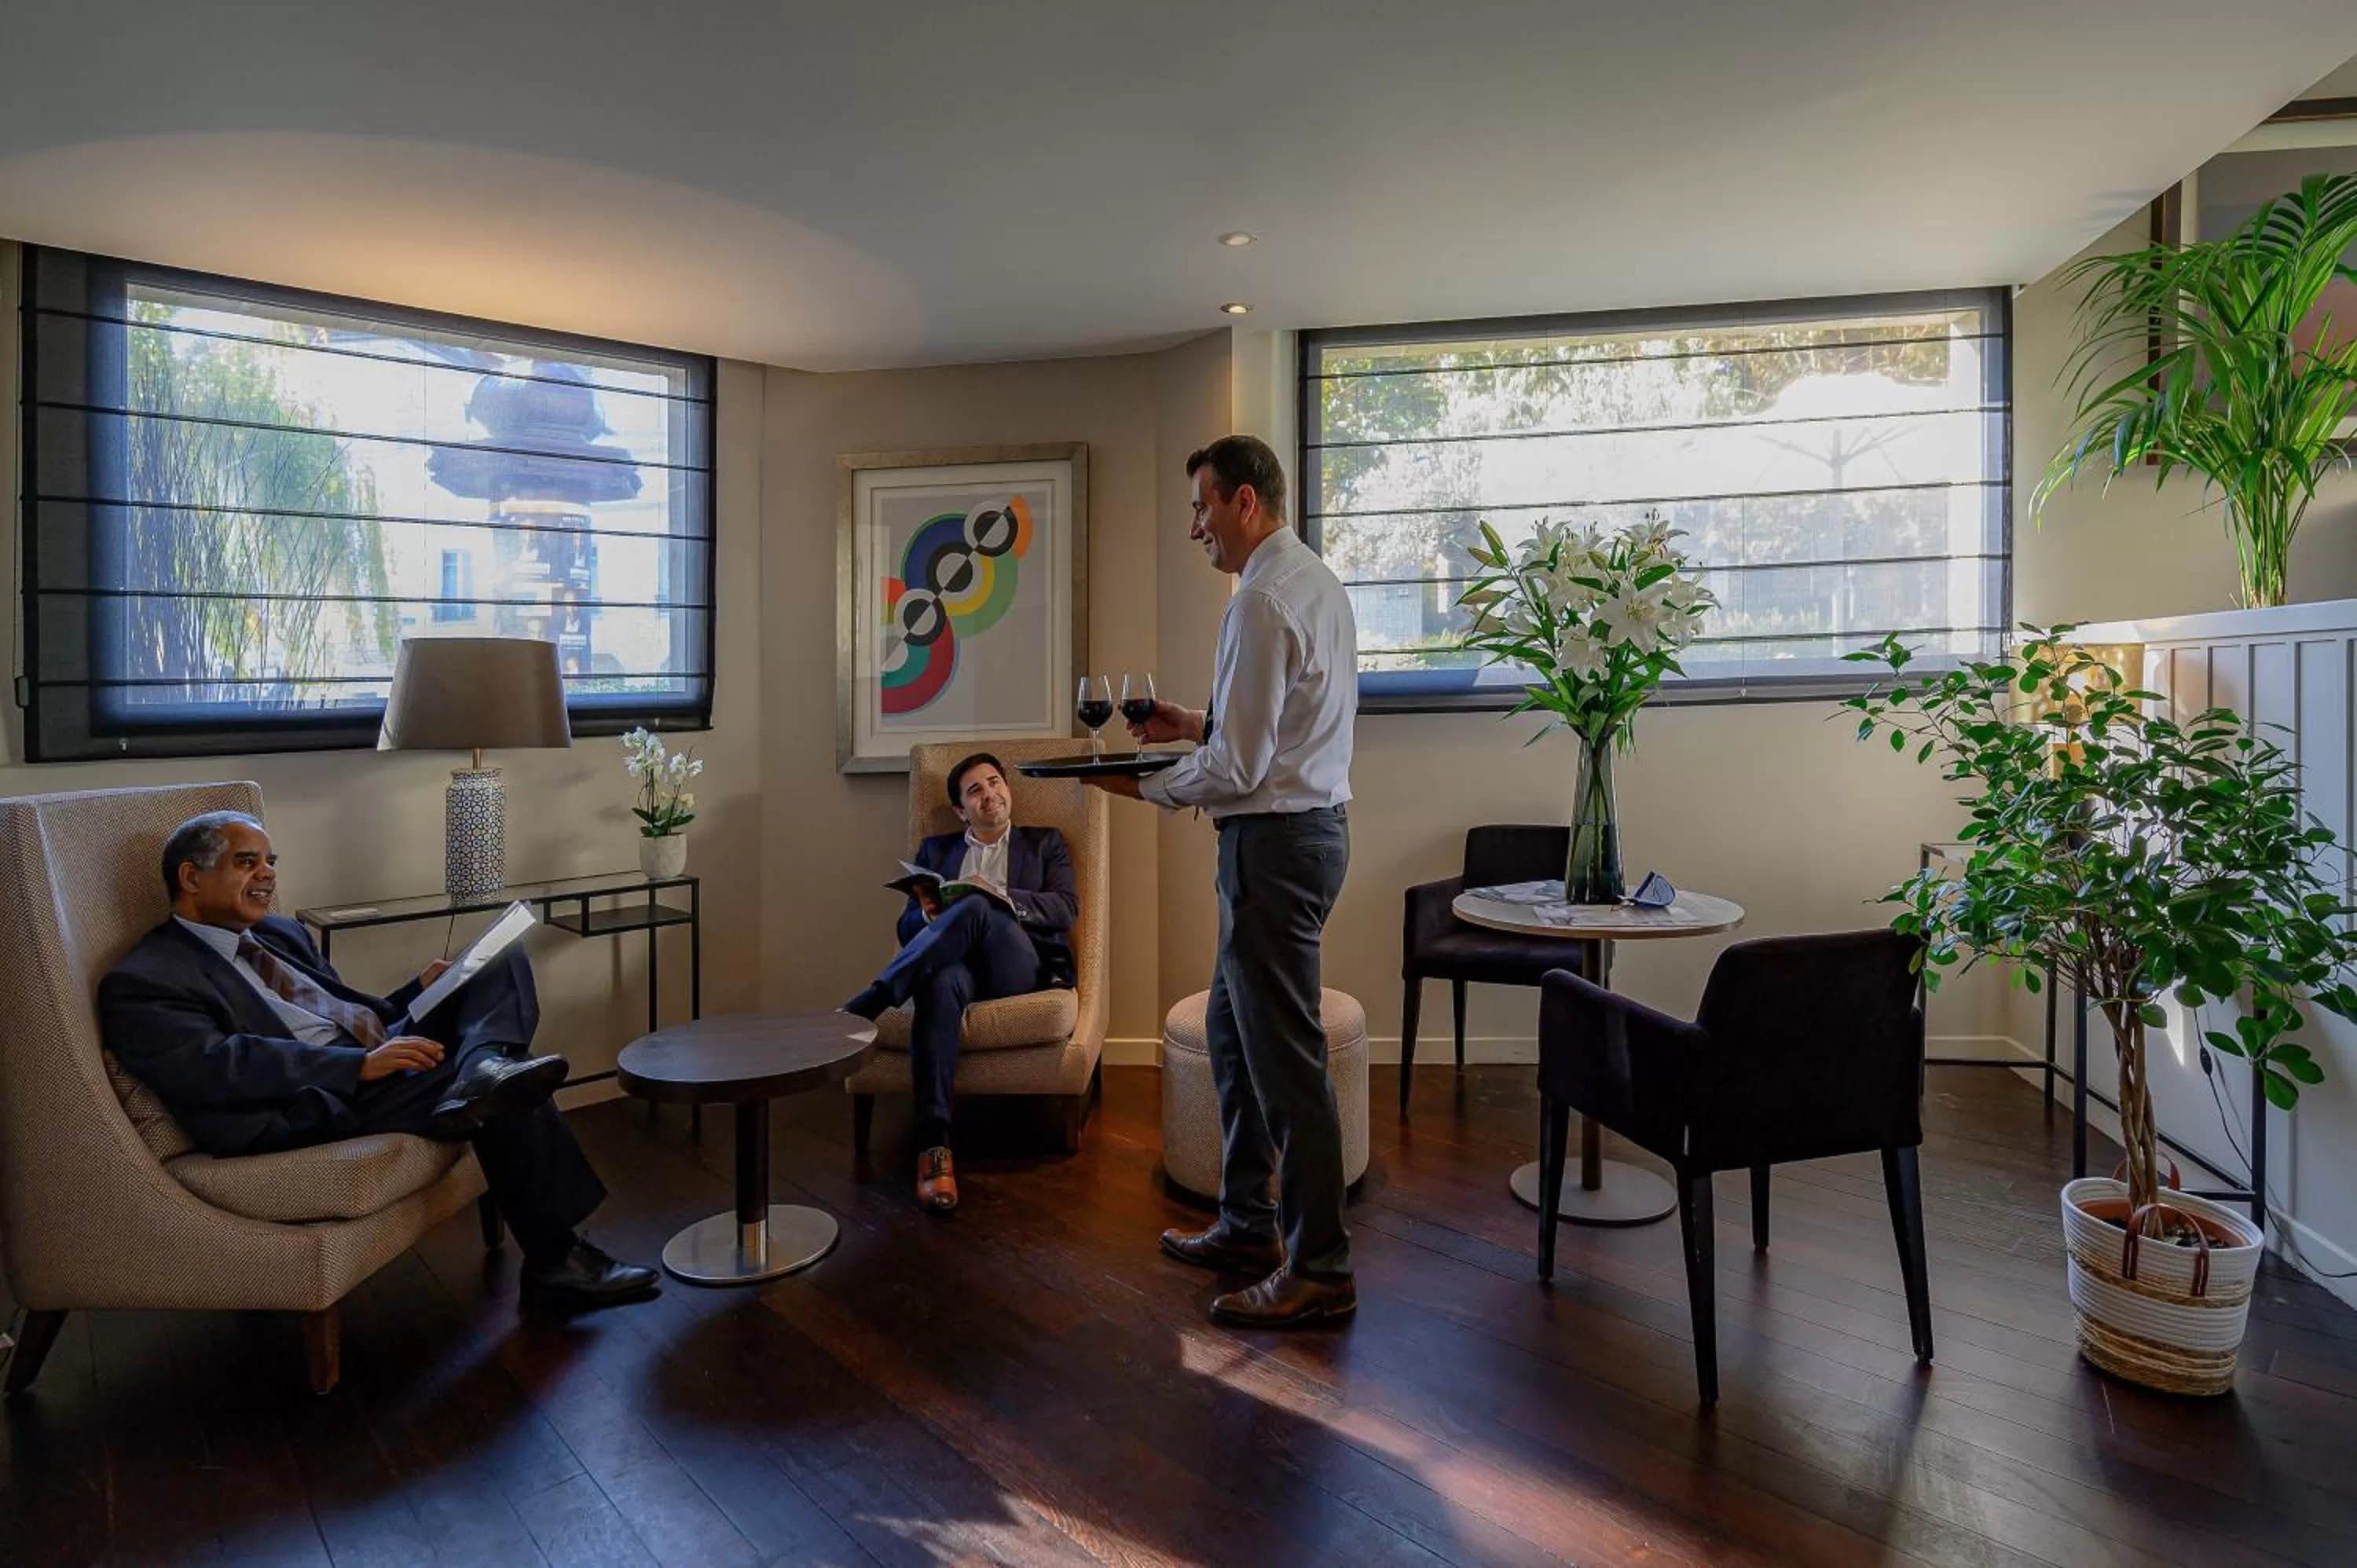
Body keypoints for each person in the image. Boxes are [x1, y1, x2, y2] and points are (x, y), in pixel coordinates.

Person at [97, 811, 658, 1311]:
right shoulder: (146, 980)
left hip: (364, 1058)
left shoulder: (281, 934)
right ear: (191, 878)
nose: (267, 875)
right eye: (247, 863)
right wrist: (357, 1068)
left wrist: (418, 993)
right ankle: (556, 1258)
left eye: (270, 862)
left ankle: (483, 1067)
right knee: (511, 1084)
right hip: (310, 1098)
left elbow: (342, 1014)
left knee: (496, 959)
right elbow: (217, 1066)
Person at [1085, 434, 1358, 1328]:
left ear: (1246, 501)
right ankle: (1247, 1222)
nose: (1194, 525)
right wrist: (1190, 720)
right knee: (1230, 1029)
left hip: (1273, 849)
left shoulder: (1257, 602)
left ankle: (1319, 1265)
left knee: (1286, 1060)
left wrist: (1139, 782)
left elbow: (1240, 771)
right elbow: (1277, 723)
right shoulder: (1313, 582)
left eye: (1202, 505)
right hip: (1309, 835)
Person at [842, 752, 1077, 1211]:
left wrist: (999, 896)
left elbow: (1066, 909)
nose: (989, 794)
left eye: (994, 783)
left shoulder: (1046, 843)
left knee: (972, 904)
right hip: (958, 970)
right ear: (960, 810)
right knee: (937, 982)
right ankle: (935, 1147)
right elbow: (905, 927)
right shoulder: (936, 853)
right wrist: (929, 917)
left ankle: (875, 998)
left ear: (1008, 790)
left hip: (1018, 965)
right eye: (975, 790)